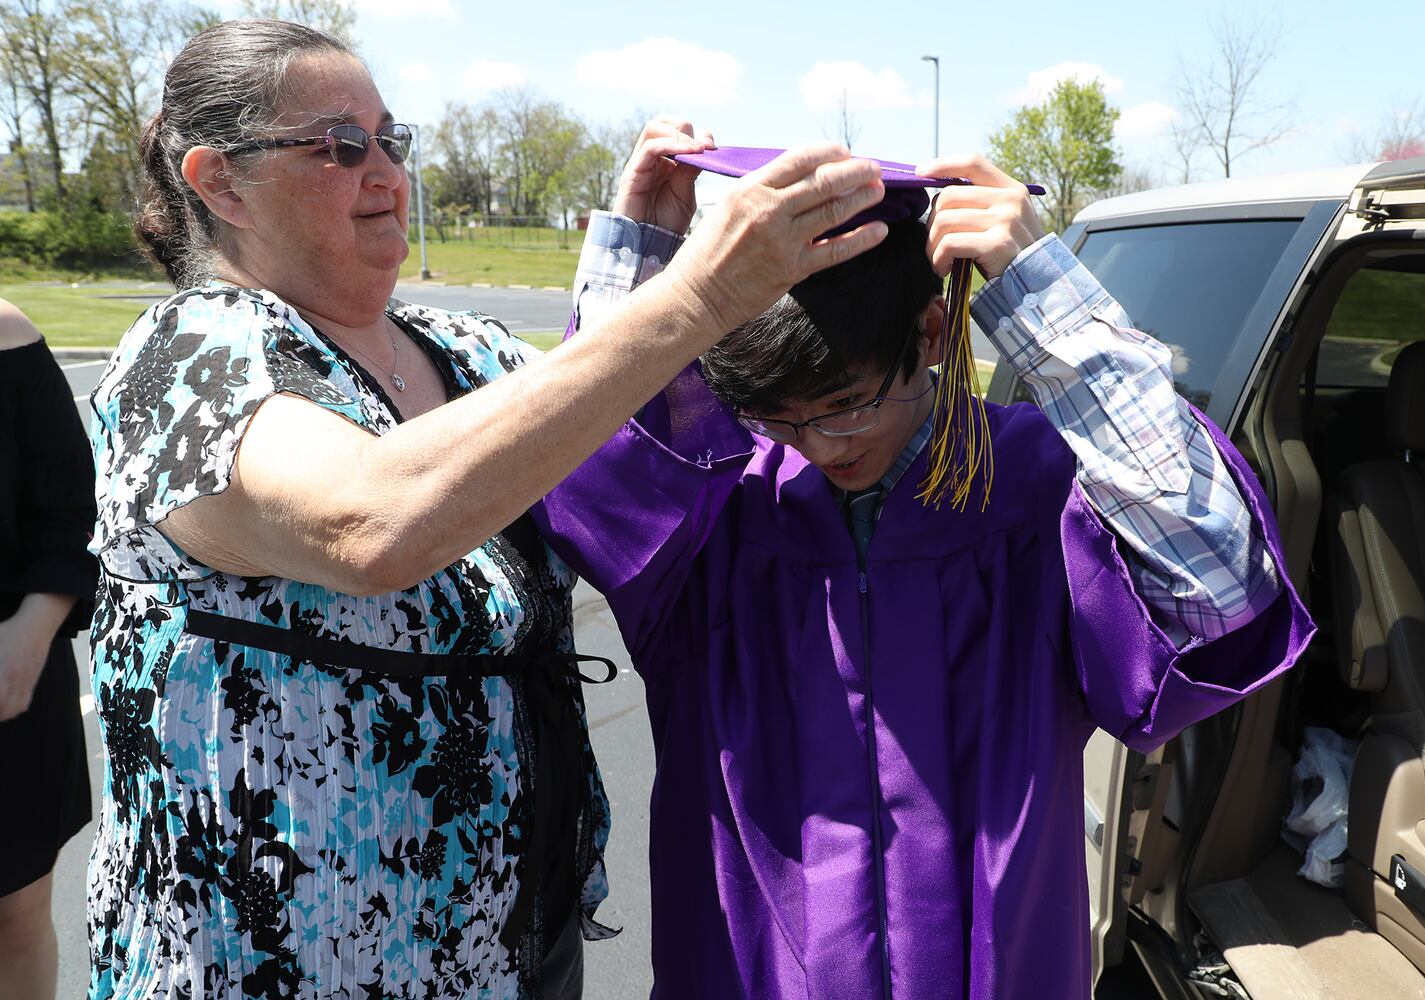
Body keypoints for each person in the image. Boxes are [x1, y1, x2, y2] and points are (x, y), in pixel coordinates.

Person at [86, 19, 892, 1000]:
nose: (384, 170)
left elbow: (599, 453)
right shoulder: (186, 362)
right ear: (220, 182)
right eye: (340, 146)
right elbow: (372, 523)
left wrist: (641, 252)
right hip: (280, 962)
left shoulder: (464, 347)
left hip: (507, 936)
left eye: (391, 140)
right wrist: (702, 287)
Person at [535, 135, 1315, 999]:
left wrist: (1046, 301)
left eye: (848, 402)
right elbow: (583, 485)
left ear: (934, 331)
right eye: (779, 417)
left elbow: (1219, 595)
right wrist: (636, 267)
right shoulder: (718, 511)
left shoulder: (1034, 488)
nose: (821, 446)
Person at [0, 298, 98, 1000]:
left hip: (12, 678)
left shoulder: (11, 340)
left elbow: (69, 513)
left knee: (16, 911)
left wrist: (30, 637)